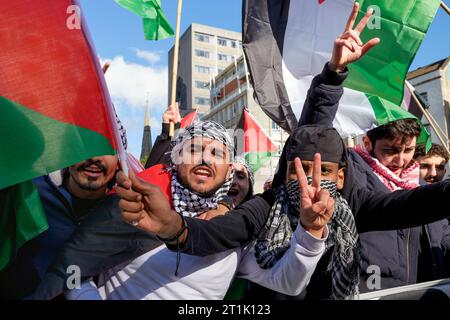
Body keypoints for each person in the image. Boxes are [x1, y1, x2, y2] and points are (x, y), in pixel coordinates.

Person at [65, 121, 330, 300]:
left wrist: (311, 232)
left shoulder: (233, 229)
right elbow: (73, 271)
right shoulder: (134, 205)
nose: (204, 159)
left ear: (229, 170)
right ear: (175, 159)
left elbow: (288, 283)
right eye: (194, 149)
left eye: (216, 153)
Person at [0, 154, 119, 299]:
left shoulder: (125, 209)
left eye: (106, 149)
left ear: (118, 157)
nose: (94, 158)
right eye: (83, 145)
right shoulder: (27, 190)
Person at [413, 143, 450, 282]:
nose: (433, 173)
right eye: (425, 166)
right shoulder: (396, 199)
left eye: (439, 167)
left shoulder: (443, 205)